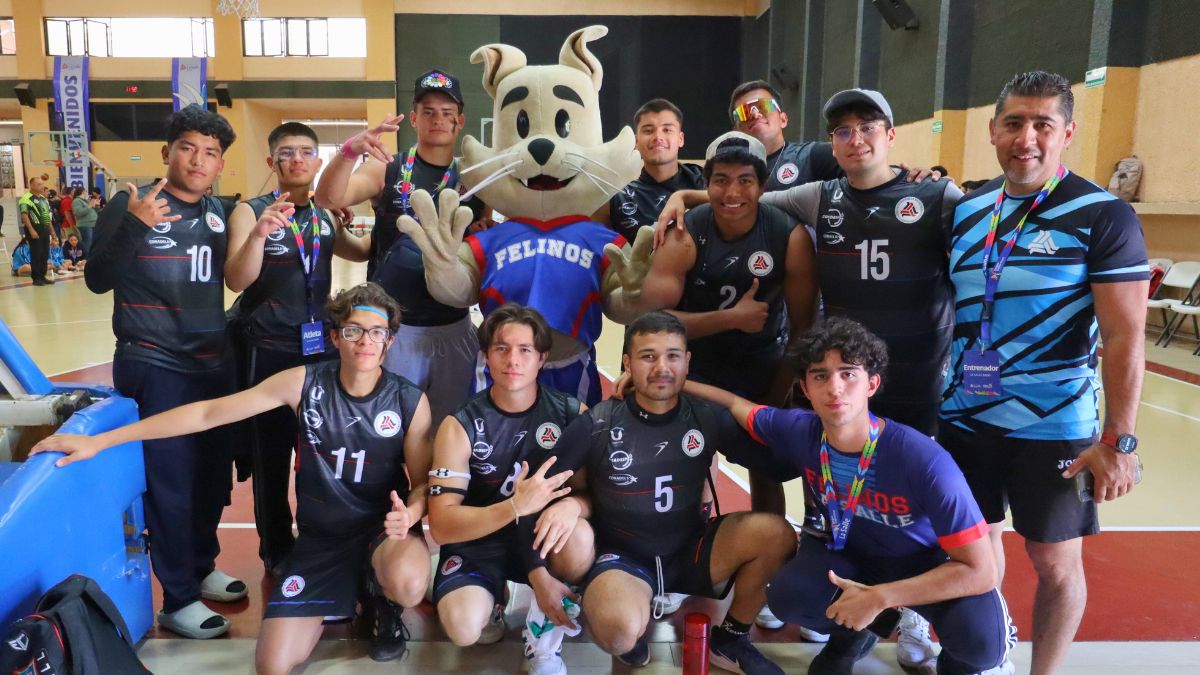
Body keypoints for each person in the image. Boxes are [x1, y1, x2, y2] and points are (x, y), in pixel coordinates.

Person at [33, 283, 436, 673]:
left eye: (377, 332)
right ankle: (347, 587)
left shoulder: (409, 401)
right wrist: (101, 441)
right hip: (322, 540)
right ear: (334, 337)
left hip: (383, 533)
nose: (365, 341)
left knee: (408, 582)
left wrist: (412, 513)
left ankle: (381, 599)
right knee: (272, 664)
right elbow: (207, 413)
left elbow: (422, 484)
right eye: (353, 331)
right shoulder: (304, 383)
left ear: (389, 341)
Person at [940, 71, 1149, 675]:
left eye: (1042, 124)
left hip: (1054, 426)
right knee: (971, 551)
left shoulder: (1103, 215)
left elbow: (1124, 337)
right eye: (1013, 123)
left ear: (1067, 133)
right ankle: (985, 652)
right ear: (992, 130)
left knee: (1054, 562)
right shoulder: (967, 211)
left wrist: (1119, 441)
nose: (1025, 138)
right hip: (965, 417)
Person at [686, 317, 1015, 675]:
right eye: (820, 376)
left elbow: (982, 571)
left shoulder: (924, 462)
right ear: (805, 388)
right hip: (853, 555)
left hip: (925, 563)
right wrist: (670, 381)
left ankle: (955, 663)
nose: (834, 388)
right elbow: (735, 404)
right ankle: (852, 638)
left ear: (872, 384)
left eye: (848, 374)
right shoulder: (798, 430)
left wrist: (882, 597)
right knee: (789, 595)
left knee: (982, 645)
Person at [548, 311, 797, 674]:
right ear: (627, 363)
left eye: (673, 357)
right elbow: (544, 491)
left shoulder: (705, 416)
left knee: (777, 534)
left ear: (687, 363)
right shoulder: (598, 422)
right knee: (617, 632)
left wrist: (823, 438)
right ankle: (628, 631)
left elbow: (778, 466)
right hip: (625, 556)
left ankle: (730, 639)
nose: (662, 367)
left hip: (693, 550)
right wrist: (542, 568)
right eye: (648, 356)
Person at [83, 105, 245, 639]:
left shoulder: (220, 212)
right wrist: (135, 226)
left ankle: (200, 566)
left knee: (210, 479)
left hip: (212, 363)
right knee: (170, 485)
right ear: (167, 153)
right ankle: (177, 598)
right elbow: (97, 278)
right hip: (156, 362)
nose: (198, 160)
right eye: (188, 148)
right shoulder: (131, 204)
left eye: (210, 152)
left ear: (220, 164)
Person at [225, 121, 369, 577]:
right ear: (272, 162)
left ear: (318, 161)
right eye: (286, 153)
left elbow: (361, 251)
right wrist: (258, 235)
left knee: (319, 452)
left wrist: (394, 220)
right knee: (270, 456)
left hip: (319, 354)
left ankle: (319, 537)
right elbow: (236, 280)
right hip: (267, 350)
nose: (297, 160)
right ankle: (276, 549)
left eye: (306, 152)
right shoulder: (250, 211)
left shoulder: (324, 215)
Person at [316, 69, 487, 427]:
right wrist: (349, 152)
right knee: (389, 426)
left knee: (448, 427)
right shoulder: (387, 167)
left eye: (446, 112)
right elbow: (329, 198)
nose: (437, 119)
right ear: (413, 118)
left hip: (453, 324)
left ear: (460, 121)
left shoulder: (475, 179)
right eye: (428, 112)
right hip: (395, 328)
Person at [426, 303, 589, 675]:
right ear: (486, 355)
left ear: (542, 358)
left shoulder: (571, 414)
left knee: (579, 536)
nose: (513, 360)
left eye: (525, 350)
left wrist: (574, 507)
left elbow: (592, 496)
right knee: (464, 627)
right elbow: (443, 526)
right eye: (501, 348)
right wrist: (515, 506)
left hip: (542, 540)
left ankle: (542, 642)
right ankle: (492, 596)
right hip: (480, 539)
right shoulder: (460, 425)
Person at [594, 98, 706, 242]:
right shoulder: (618, 197)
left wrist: (684, 197)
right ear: (636, 142)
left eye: (667, 130)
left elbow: (728, 200)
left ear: (680, 139)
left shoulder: (704, 179)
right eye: (648, 131)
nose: (658, 137)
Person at [727, 80, 842, 192]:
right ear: (736, 131)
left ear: (783, 120)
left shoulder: (812, 156)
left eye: (763, 106)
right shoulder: (725, 174)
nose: (755, 114)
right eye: (744, 112)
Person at [19, 176, 54, 285]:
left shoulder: (44, 199)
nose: (42, 186)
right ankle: (36, 278)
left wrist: (53, 232)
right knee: (36, 253)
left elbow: (48, 217)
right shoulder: (26, 198)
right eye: (39, 184)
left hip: (45, 229)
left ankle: (42, 276)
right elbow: (24, 215)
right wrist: (31, 230)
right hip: (34, 228)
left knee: (45, 253)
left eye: (42, 184)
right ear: (31, 185)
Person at [73, 186, 100, 253]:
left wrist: (97, 206)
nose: (87, 193)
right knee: (87, 243)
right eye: (86, 192)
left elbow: (93, 211)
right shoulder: (76, 201)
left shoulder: (85, 201)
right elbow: (79, 213)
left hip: (93, 224)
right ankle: (86, 257)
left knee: (93, 243)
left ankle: (91, 256)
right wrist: (90, 206)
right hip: (85, 225)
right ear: (83, 192)